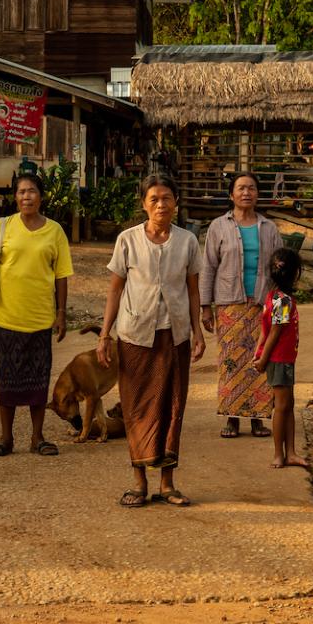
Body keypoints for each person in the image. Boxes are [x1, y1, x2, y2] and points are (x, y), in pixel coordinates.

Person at [100, 173, 204, 508]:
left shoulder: (187, 241)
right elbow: (115, 290)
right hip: (134, 335)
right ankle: (138, 483)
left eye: (167, 198)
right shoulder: (127, 240)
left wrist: (198, 330)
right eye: (154, 199)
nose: (161, 204)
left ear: (176, 202)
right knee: (136, 408)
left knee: (172, 406)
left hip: (174, 335)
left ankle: (168, 484)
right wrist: (105, 334)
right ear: (144, 204)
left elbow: (192, 289)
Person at [0, 169, 73, 459]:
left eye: (31, 191)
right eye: (21, 192)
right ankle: (6, 438)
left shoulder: (55, 231)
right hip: (6, 316)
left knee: (38, 380)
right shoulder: (2, 227)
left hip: (40, 317)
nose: (26, 196)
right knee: (7, 378)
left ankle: (38, 437)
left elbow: (62, 275)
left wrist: (62, 312)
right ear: (15, 197)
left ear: (41, 197)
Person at [201, 172, 283, 440]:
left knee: (260, 359)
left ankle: (258, 419)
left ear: (257, 194)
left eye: (251, 188)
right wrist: (205, 306)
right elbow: (208, 266)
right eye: (241, 188)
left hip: (262, 304)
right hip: (229, 306)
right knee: (230, 363)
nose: (246, 192)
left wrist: (281, 306)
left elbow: (280, 269)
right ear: (231, 194)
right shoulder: (218, 227)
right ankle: (232, 419)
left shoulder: (269, 228)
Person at [253, 247, 309, 471]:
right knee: (282, 406)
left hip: (282, 359)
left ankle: (291, 452)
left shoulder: (273, 296)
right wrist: (264, 359)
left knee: (288, 405)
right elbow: (274, 333)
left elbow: (264, 332)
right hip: (280, 360)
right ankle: (279, 453)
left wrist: (258, 354)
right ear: (296, 273)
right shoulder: (283, 300)